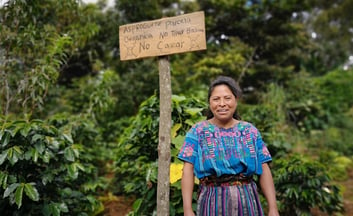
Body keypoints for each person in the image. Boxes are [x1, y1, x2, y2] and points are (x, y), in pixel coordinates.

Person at [178, 76, 279, 216]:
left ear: (236, 100)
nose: (222, 104)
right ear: (209, 102)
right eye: (216, 99)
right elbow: (187, 170)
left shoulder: (250, 131)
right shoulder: (198, 132)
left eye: (227, 98)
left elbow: (264, 168)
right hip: (211, 203)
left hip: (247, 202)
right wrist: (187, 209)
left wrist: (273, 208)